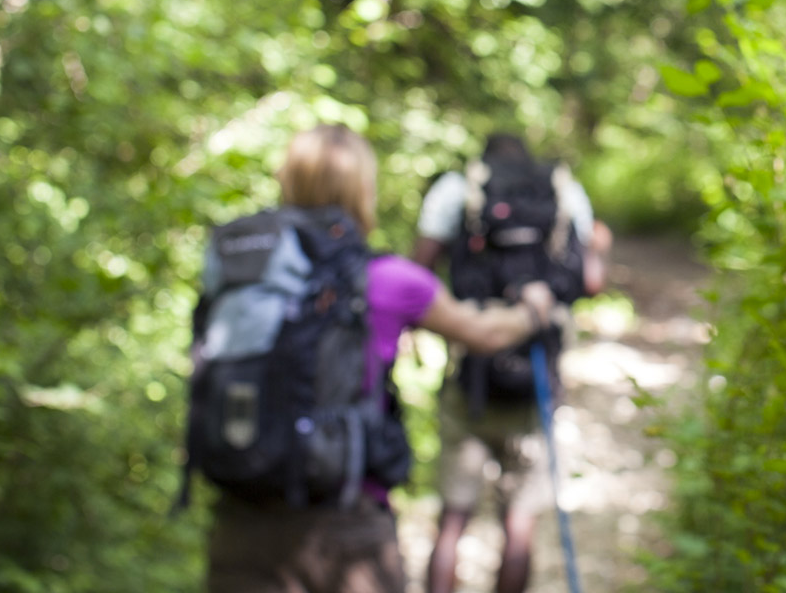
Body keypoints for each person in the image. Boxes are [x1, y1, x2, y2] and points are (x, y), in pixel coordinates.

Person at [201, 124, 555, 593]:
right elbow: (486, 333)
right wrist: (534, 309)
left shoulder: (238, 271)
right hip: (347, 521)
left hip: (241, 516)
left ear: (287, 182)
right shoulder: (388, 280)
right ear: (363, 190)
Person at [412, 133, 606, 593]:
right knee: (519, 526)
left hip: (470, 374)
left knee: (453, 520)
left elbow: (419, 275)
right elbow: (591, 282)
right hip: (539, 381)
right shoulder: (563, 190)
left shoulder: (456, 190)